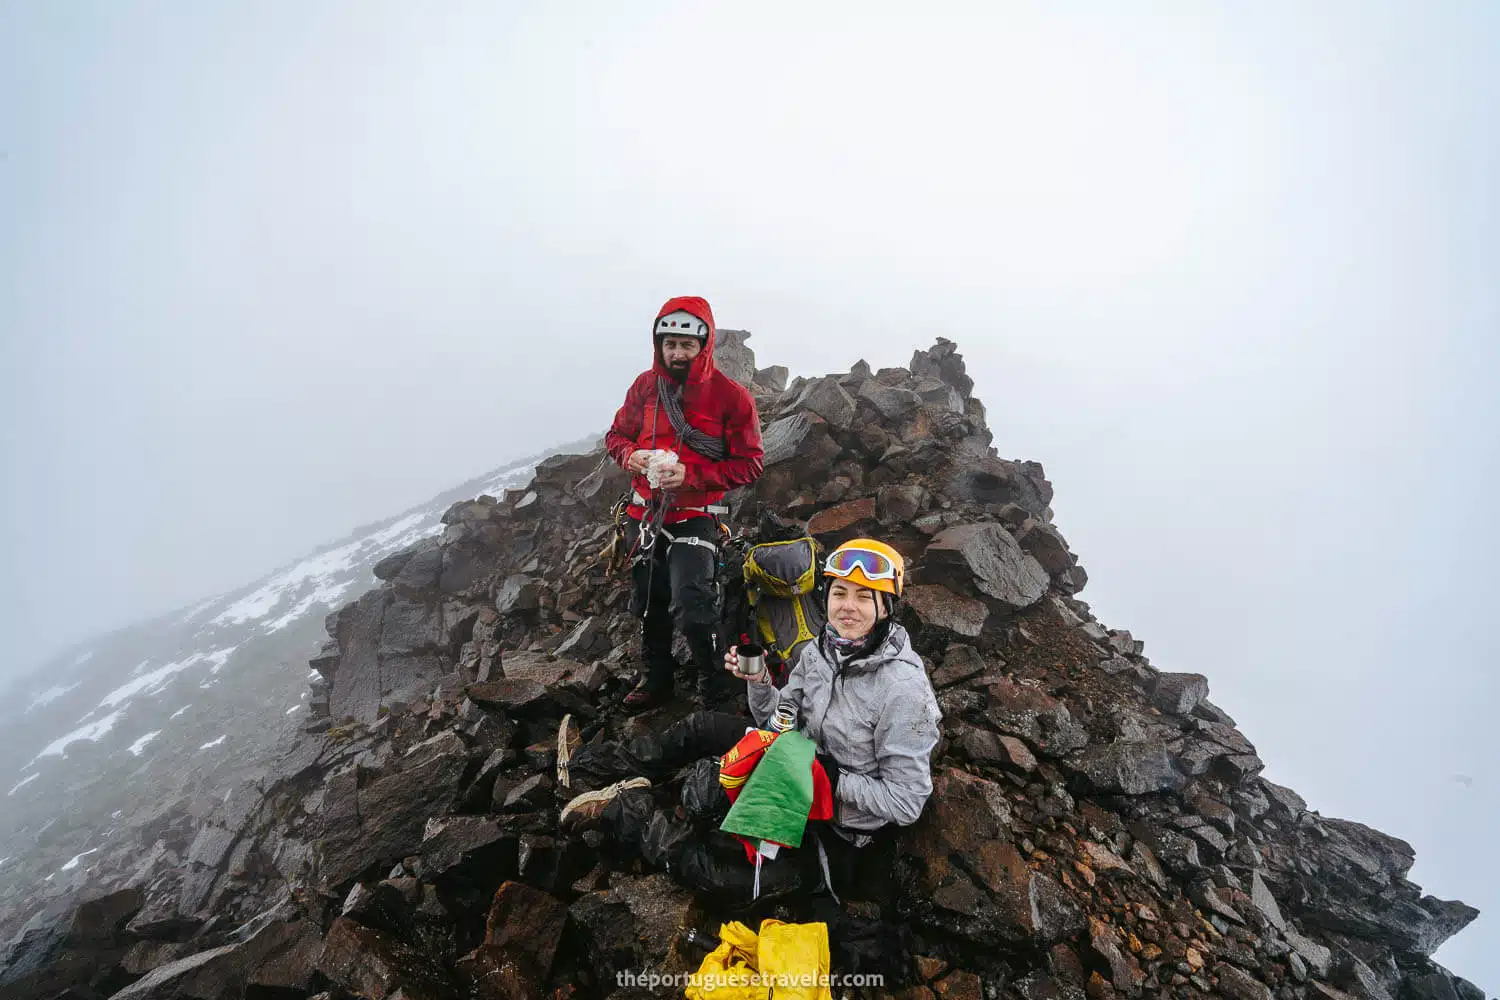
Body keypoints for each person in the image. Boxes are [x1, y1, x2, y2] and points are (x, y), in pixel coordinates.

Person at [559, 539, 942, 901]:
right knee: (702, 727)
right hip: (791, 764)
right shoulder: (819, 652)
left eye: (863, 597)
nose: (847, 607)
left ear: (886, 607)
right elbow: (777, 723)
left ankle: (624, 811)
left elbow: (907, 802)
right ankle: (585, 768)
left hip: (837, 826)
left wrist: (834, 778)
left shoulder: (903, 690)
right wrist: (759, 683)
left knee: (721, 878)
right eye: (839, 593)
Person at [605, 296, 764, 709]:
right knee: (648, 603)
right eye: (669, 344)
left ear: (704, 345)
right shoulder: (644, 386)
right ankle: (657, 680)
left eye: (686, 345)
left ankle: (716, 687)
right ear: (659, 344)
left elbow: (750, 465)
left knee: (692, 604)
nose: (676, 353)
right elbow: (616, 436)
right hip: (642, 515)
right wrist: (630, 456)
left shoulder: (732, 398)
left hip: (696, 516)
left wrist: (691, 476)